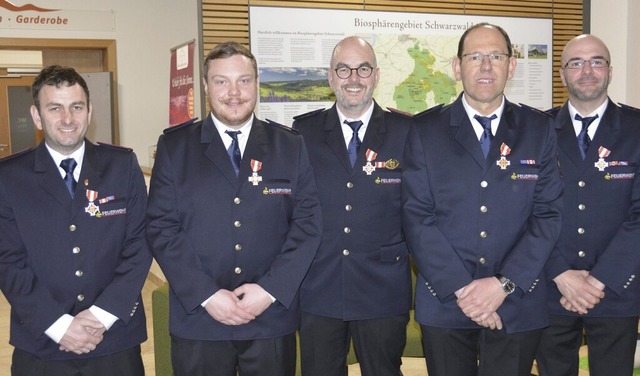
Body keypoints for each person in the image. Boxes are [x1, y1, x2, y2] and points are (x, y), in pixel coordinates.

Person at [146, 42, 322, 376]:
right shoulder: (175, 146)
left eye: (243, 80)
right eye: (221, 81)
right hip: (200, 318)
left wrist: (270, 290)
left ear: (257, 84)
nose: (233, 92)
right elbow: (161, 227)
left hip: (270, 316)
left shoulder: (289, 145)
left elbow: (308, 224)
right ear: (205, 86)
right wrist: (208, 295)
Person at [401, 23, 563, 376]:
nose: (486, 66)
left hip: (518, 300)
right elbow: (417, 216)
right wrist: (465, 291)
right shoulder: (425, 130)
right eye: (475, 56)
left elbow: (548, 214)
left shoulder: (538, 129)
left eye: (496, 56)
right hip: (446, 301)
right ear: (457, 68)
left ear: (512, 66)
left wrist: (502, 284)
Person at [0, 65, 151, 375]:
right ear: (37, 115)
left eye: (76, 107)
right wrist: (57, 325)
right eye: (55, 108)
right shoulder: (9, 177)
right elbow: (7, 260)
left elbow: (140, 244)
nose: (67, 119)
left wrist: (101, 316)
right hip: (41, 342)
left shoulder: (122, 166)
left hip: (115, 339)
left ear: (89, 111)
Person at [292, 36, 413, 376]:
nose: (354, 78)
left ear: (376, 75)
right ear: (330, 78)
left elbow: (419, 208)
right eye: (343, 69)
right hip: (319, 285)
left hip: (382, 287)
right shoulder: (304, 132)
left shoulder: (405, 130)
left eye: (363, 68)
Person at [535, 34, 640, 376]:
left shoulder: (636, 127)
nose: (587, 71)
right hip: (552, 289)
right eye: (576, 63)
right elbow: (523, 212)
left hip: (617, 289)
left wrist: (598, 282)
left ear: (610, 71)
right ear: (562, 74)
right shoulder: (537, 130)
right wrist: (561, 274)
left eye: (596, 61)